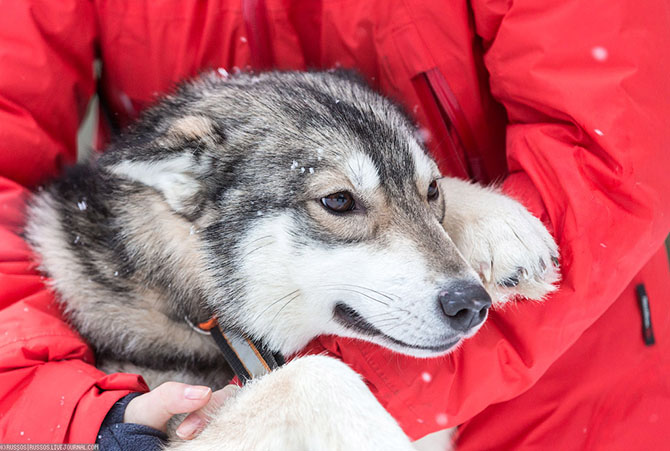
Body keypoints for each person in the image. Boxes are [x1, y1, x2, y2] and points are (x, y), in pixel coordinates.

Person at [1, 1, 668, 449]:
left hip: (564, 384)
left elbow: (614, 152)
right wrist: (91, 417)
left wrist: (335, 398)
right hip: (199, 342)